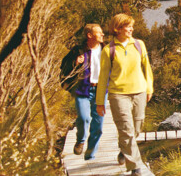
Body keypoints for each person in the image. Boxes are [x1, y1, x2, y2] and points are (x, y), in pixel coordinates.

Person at [95, 14, 153, 176]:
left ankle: (124, 150)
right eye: (128, 26)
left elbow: (146, 68)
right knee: (126, 130)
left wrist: (149, 88)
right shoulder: (109, 50)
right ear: (118, 29)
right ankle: (135, 168)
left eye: (131, 26)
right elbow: (103, 77)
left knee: (137, 126)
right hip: (118, 95)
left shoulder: (139, 45)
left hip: (139, 91)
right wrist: (100, 102)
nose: (131, 29)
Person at [59, 24, 106, 160]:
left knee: (98, 124)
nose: (102, 35)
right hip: (82, 89)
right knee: (84, 118)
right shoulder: (78, 51)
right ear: (89, 35)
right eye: (99, 33)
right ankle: (80, 140)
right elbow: (64, 66)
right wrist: (75, 62)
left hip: (100, 90)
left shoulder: (106, 49)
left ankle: (91, 153)